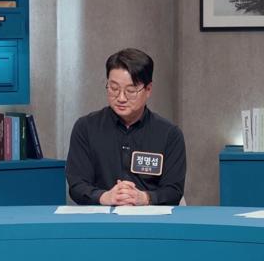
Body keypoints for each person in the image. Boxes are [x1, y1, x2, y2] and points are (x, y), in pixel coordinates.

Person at [66, 48, 186, 206]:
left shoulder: (169, 134)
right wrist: (105, 197)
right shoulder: (86, 128)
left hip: (149, 216)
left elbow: (173, 190)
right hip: (101, 215)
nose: (121, 98)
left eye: (130, 91)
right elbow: (77, 185)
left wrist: (144, 198)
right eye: (114, 88)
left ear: (148, 89)